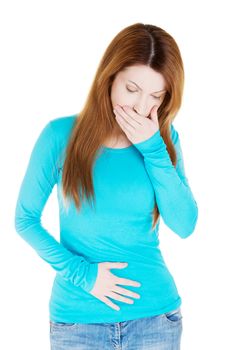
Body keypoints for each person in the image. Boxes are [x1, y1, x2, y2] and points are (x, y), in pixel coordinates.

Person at [14, 22, 198, 350]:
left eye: (156, 96)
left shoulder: (164, 141)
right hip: (77, 322)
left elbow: (184, 225)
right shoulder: (59, 136)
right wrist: (84, 275)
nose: (142, 107)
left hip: (155, 320)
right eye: (132, 89)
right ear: (109, 77)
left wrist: (153, 148)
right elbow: (25, 220)